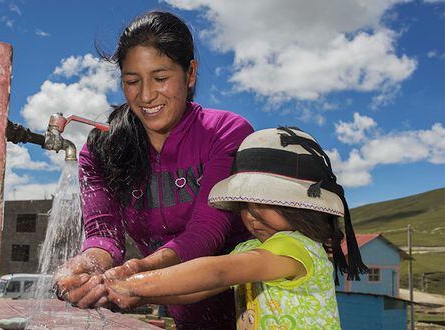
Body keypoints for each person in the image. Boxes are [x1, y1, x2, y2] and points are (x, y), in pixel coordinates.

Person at [54, 10, 254, 329]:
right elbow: (103, 234)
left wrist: (137, 273)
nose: (145, 95)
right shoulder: (101, 151)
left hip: (253, 311)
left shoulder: (226, 133)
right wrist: (88, 265)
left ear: (190, 73)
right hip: (184, 317)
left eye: (160, 78)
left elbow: (206, 234)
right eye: (132, 81)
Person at [105, 127, 370, 329]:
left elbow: (217, 272)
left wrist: (137, 283)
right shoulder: (250, 248)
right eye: (245, 204)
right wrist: (144, 296)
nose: (252, 215)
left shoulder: (296, 248)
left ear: (301, 207)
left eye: (265, 203)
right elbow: (203, 288)